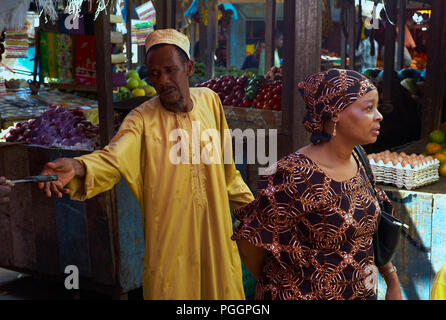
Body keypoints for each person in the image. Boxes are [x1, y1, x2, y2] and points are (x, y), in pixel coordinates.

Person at [38, 29, 254, 300]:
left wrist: (255, 212)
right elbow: (114, 157)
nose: (162, 81)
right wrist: (78, 166)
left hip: (217, 239)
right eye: (154, 74)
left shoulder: (210, 102)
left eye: (169, 70)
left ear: (188, 67)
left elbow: (227, 172)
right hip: (171, 244)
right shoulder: (141, 119)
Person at [232, 69, 403, 300]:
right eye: (368, 108)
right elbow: (249, 242)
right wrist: (290, 285)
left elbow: (369, 232)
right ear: (334, 114)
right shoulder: (293, 175)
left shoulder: (359, 158)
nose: (379, 116)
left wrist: (392, 282)